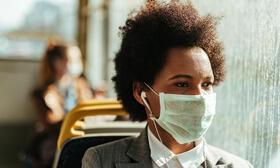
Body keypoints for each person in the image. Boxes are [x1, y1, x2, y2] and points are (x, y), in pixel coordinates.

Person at [82, 1, 253, 168]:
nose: (199, 97)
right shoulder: (102, 161)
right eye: (181, 84)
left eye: (207, 84)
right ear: (141, 92)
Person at [26, 43, 94, 168]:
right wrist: (77, 119)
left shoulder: (81, 85)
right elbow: (51, 124)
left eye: (79, 59)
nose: (77, 64)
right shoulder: (43, 93)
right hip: (55, 142)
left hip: (79, 138)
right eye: (72, 60)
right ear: (57, 63)